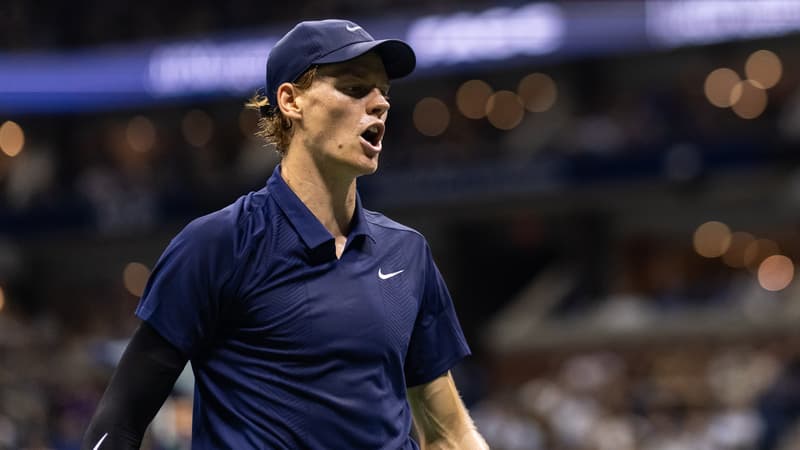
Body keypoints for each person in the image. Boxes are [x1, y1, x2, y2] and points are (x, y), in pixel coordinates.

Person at [82, 19, 488, 449]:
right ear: (291, 101)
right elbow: (119, 422)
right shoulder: (217, 245)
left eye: (383, 92)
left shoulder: (407, 252)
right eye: (355, 88)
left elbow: (449, 434)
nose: (380, 104)